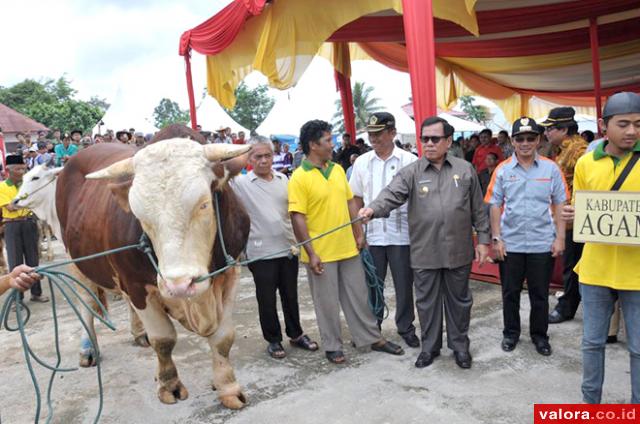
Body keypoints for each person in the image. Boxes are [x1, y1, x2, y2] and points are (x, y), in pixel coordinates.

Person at [359, 116, 490, 369]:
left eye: (435, 139)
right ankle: (430, 348)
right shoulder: (411, 173)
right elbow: (390, 195)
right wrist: (372, 209)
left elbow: (478, 209)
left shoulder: (465, 170)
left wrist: (484, 241)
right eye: (424, 139)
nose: (428, 144)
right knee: (427, 304)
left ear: (448, 141)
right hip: (425, 251)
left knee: (460, 302)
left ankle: (460, 346)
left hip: (458, 250)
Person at [289, 119, 404, 364]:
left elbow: (351, 202)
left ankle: (371, 338)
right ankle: (332, 345)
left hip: (348, 247)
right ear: (313, 145)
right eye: (328, 140)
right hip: (320, 252)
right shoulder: (299, 177)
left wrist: (358, 233)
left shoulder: (338, 170)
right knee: (327, 303)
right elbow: (297, 217)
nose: (333, 144)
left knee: (358, 295)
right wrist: (311, 252)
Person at [562, 92, 640, 404]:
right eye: (623, 124)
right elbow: (579, 216)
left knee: (638, 347)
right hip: (594, 271)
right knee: (592, 343)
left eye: (638, 124)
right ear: (603, 125)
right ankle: (590, 405)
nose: (632, 131)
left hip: (636, 274)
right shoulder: (585, 163)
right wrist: (569, 217)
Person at [485, 117, 567, 356]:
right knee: (510, 293)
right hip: (511, 244)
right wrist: (497, 239)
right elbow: (494, 205)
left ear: (538, 141)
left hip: (542, 243)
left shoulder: (551, 169)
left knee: (539, 295)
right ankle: (511, 334)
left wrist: (560, 237)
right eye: (520, 138)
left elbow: (561, 203)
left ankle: (539, 336)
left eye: (530, 138)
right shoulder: (502, 170)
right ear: (512, 141)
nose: (525, 143)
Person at [231, 136, 318, 359]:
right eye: (257, 156)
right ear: (249, 159)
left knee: (291, 295)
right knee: (266, 298)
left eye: (267, 155)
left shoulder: (284, 180)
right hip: (261, 251)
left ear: (273, 156)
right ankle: (273, 339)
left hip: (288, 248)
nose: (263, 160)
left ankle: (296, 334)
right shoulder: (240, 184)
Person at [349, 112, 419, 347]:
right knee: (372, 285)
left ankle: (406, 327)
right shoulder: (362, 161)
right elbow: (356, 198)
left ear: (392, 133)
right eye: (370, 134)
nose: (373, 139)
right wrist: (358, 233)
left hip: (402, 234)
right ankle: (373, 330)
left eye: (378, 134)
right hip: (373, 236)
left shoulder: (409, 161)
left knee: (404, 285)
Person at [540, 107, 588, 324]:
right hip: (564, 218)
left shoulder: (579, 152)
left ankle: (567, 307)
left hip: (575, 220)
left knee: (572, 265)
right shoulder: (562, 150)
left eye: (550, 129)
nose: (547, 133)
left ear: (564, 129)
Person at [0, 156, 48, 303]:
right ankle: (17, 297)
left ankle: (36, 293)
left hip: (29, 222)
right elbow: (10, 207)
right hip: (12, 225)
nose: (21, 172)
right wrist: (27, 203)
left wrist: (22, 204)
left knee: (33, 259)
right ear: (8, 169)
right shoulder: (2, 187)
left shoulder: (27, 184)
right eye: (17, 169)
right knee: (15, 260)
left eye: (23, 168)